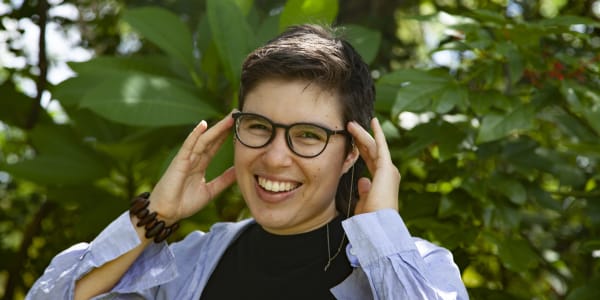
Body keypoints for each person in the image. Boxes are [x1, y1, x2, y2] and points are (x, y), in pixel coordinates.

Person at [26, 24, 468, 300]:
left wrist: (382, 233)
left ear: (354, 151)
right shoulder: (190, 265)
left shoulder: (417, 268)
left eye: (308, 135)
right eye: (258, 126)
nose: (275, 157)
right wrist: (152, 217)